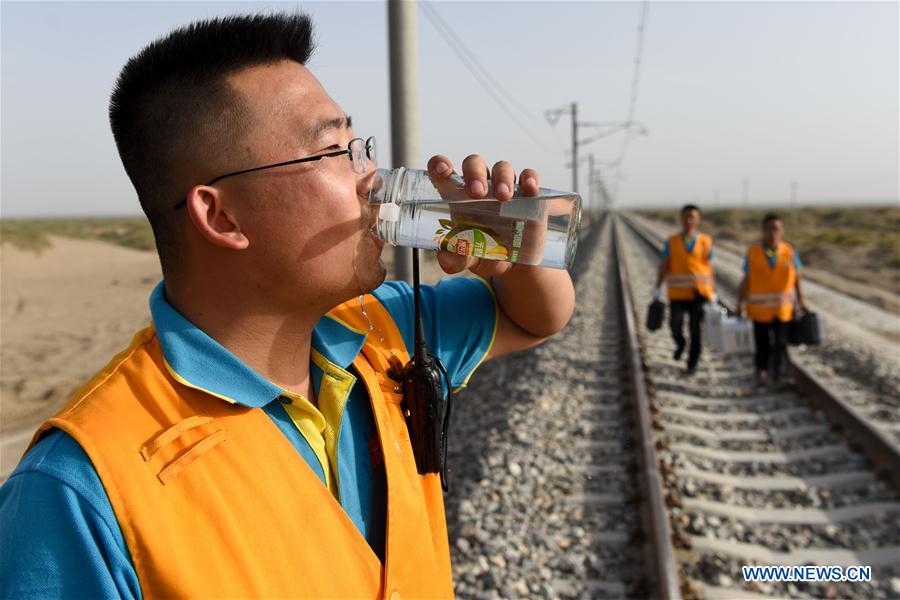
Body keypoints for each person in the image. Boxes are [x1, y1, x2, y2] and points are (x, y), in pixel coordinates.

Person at [0, 13, 575, 599]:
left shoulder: (381, 331)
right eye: (333, 150)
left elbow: (536, 317)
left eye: (359, 146)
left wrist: (508, 254)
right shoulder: (81, 490)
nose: (370, 177)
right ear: (222, 216)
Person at [737, 213, 806, 387]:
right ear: (763, 230)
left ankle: (780, 375)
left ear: (781, 230)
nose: (773, 232)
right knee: (763, 344)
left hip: (783, 310)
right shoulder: (753, 252)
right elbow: (746, 279)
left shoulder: (789, 251)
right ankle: (762, 371)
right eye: (769, 228)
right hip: (760, 310)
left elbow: (797, 277)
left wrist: (801, 300)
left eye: (776, 228)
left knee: (781, 343)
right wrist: (740, 302)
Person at [654, 204, 715, 374]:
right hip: (677, 295)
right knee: (675, 325)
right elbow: (664, 266)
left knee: (696, 331)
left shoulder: (706, 241)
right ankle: (680, 344)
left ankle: (692, 363)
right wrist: (657, 288)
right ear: (681, 219)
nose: (689, 220)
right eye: (686, 217)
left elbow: (709, 267)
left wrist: (713, 291)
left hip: (699, 294)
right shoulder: (671, 241)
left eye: (693, 217)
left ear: (698, 220)